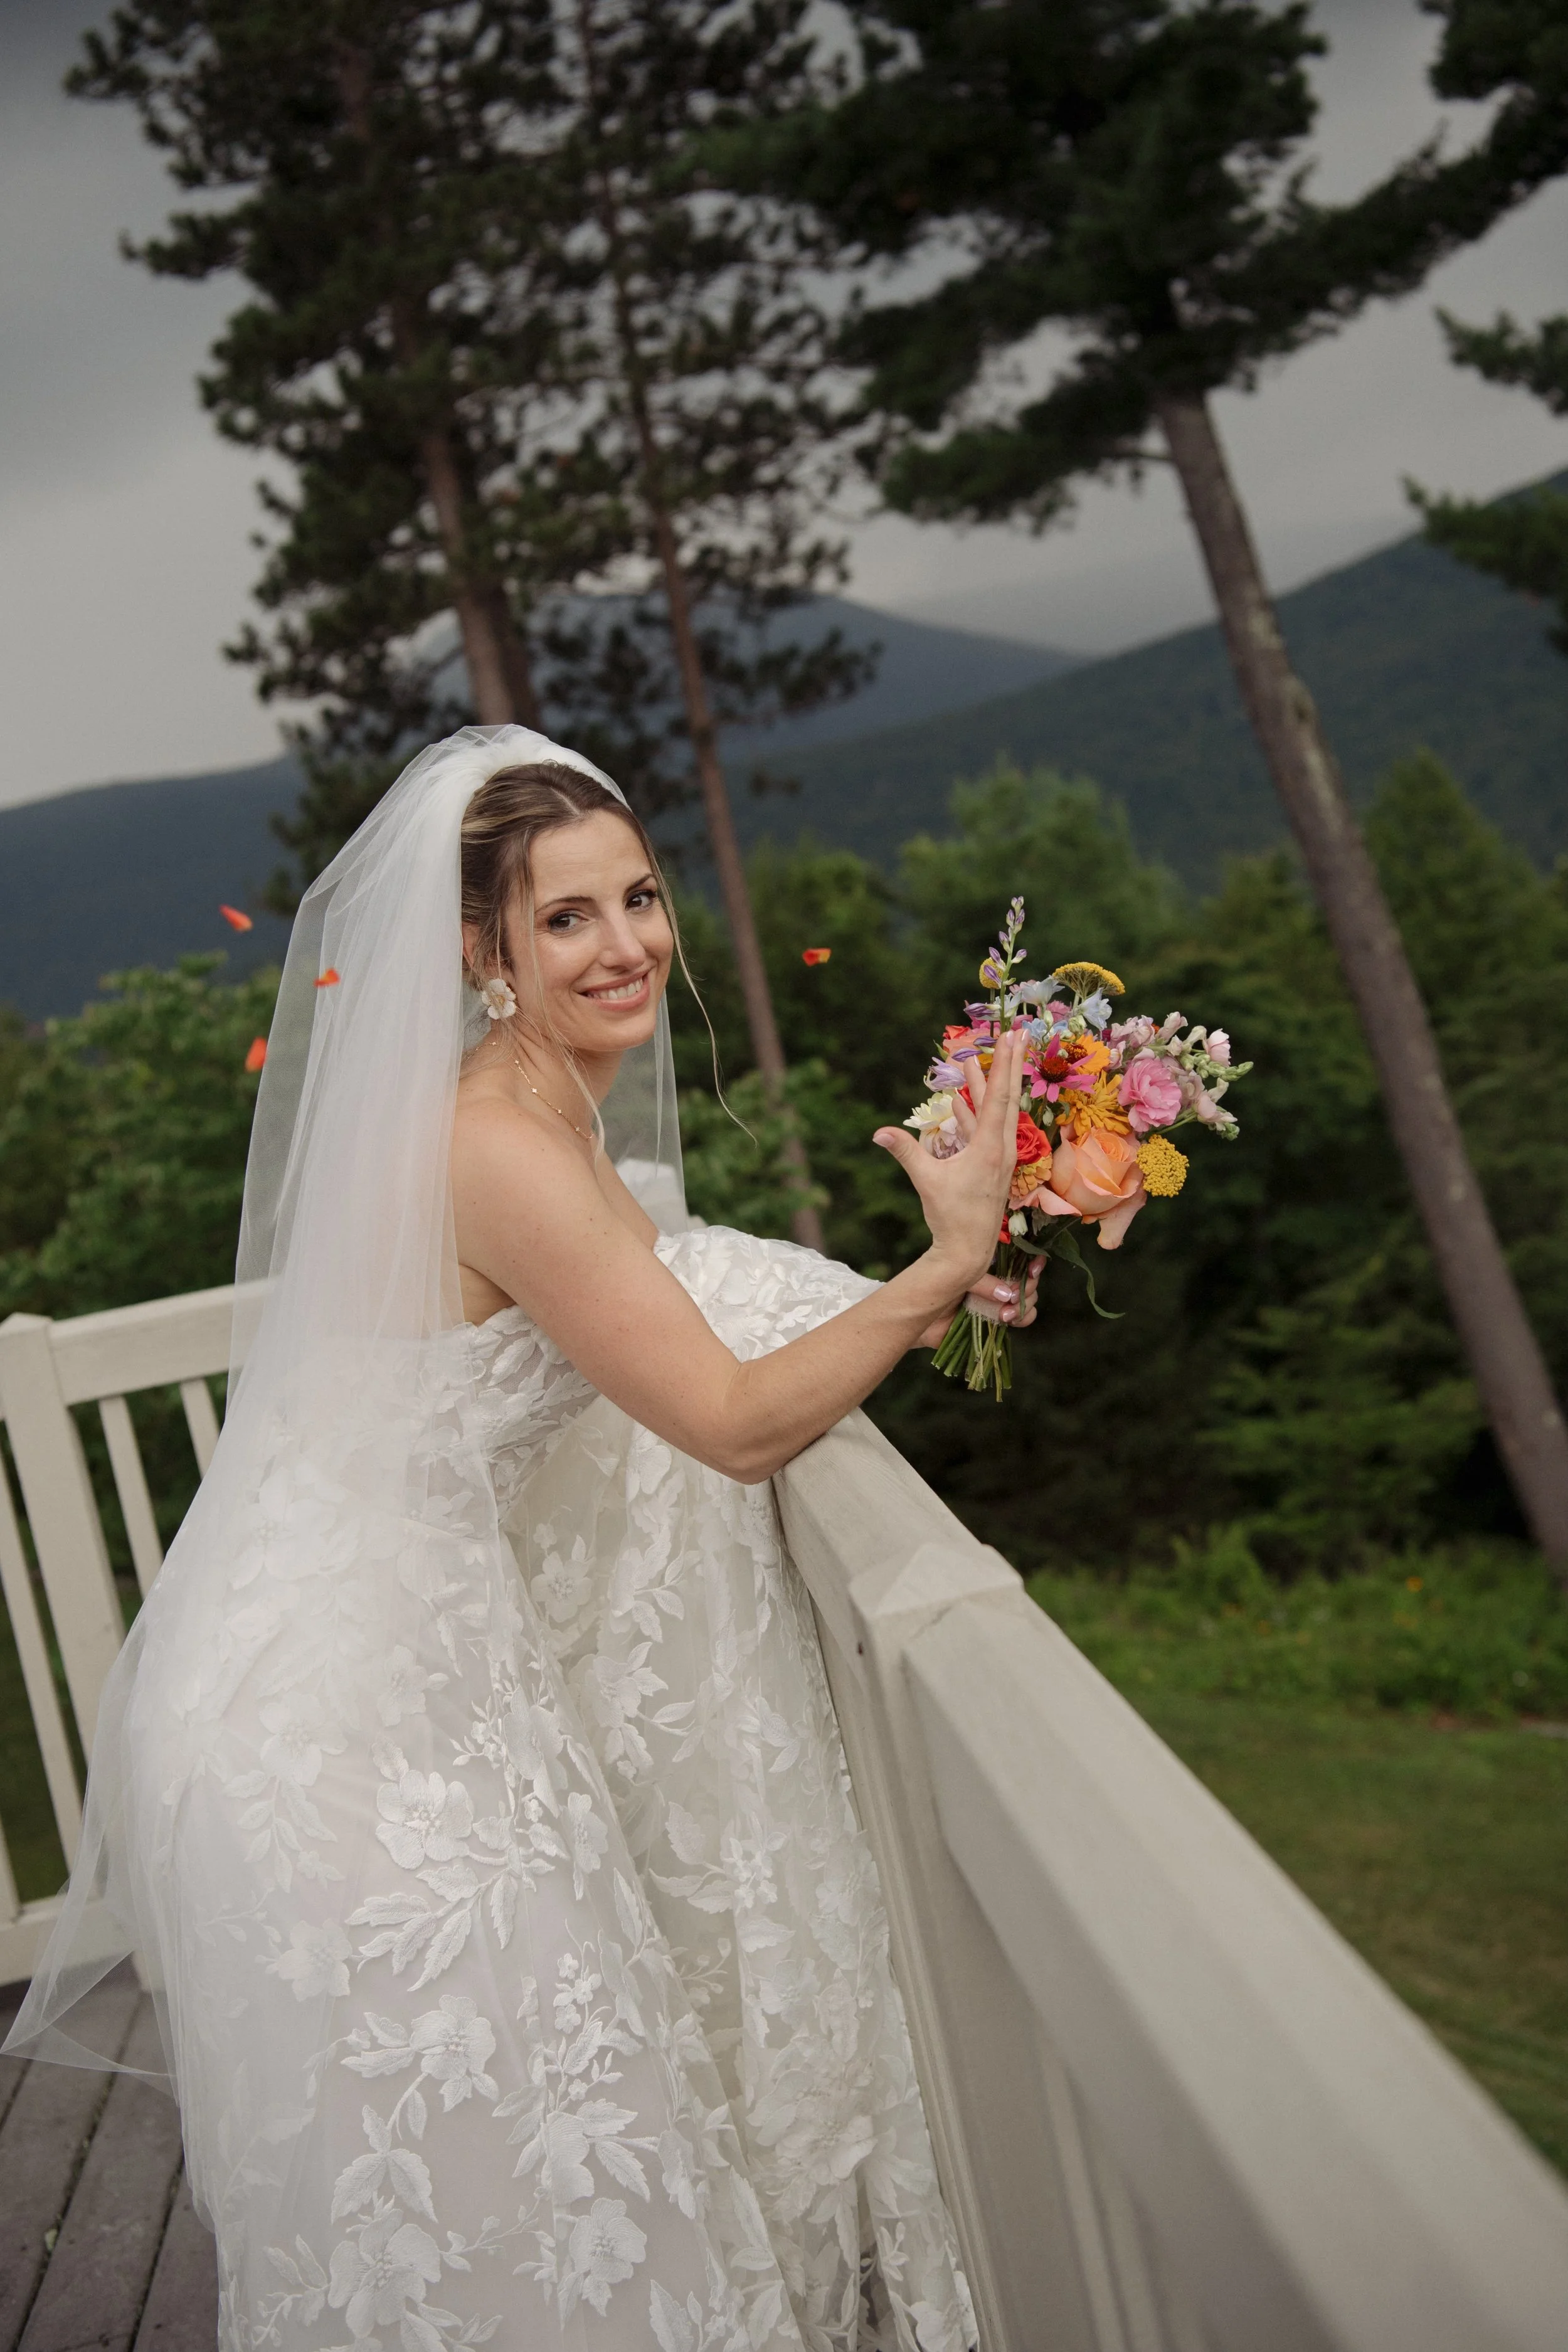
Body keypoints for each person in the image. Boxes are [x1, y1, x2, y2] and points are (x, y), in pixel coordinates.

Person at [6, 728, 1036, 2352]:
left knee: (568, 2153)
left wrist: (934, 1291)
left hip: (424, 1683)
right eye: (565, 918)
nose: (625, 942)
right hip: (336, 1740)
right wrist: (931, 1267)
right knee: (509, 2168)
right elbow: (728, 1415)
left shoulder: (552, 1108)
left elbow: (674, 1292)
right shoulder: (492, 1142)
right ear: (483, 952)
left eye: (637, 895)